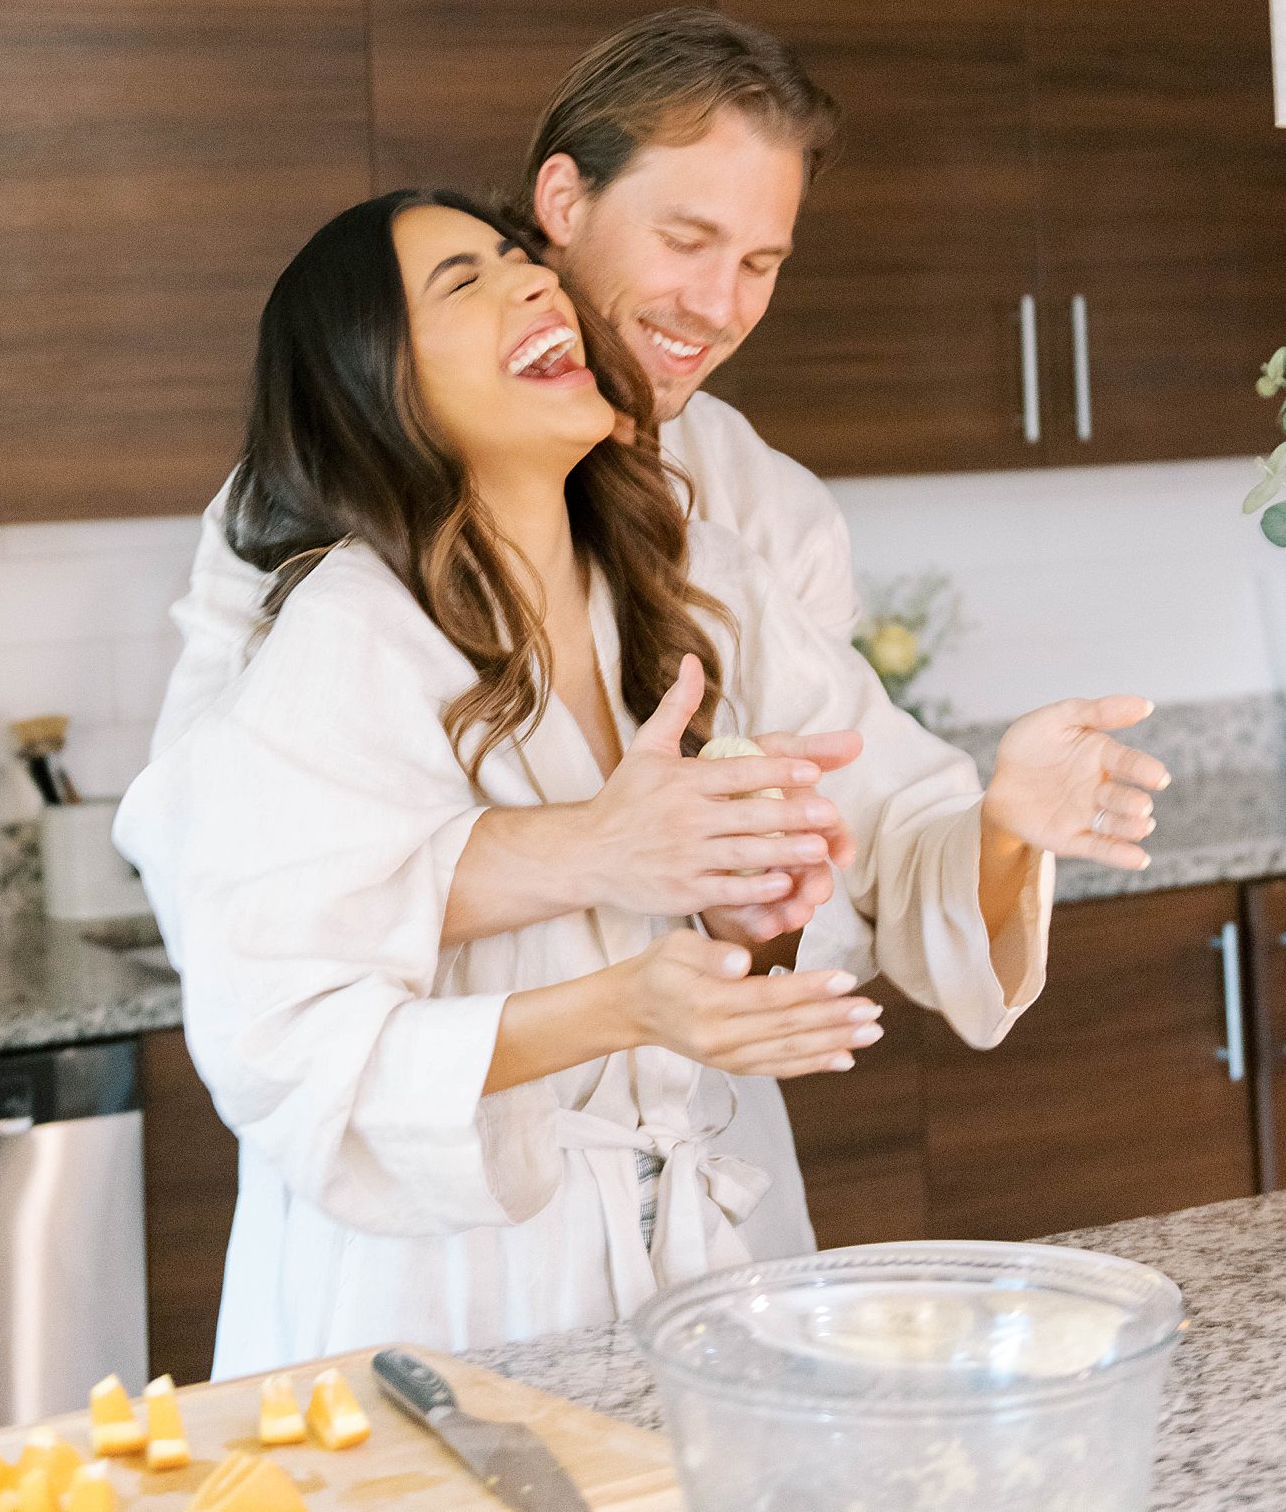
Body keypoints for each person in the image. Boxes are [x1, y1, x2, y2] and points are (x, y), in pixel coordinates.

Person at [115, 192, 1164, 1366]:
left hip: (708, 1260)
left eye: (521, 260)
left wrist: (1003, 826)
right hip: (446, 1305)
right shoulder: (346, 633)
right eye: (464, 282)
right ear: (374, 384)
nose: (533, 283)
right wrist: (624, 1000)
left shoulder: (695, 577)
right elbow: (285, 1041)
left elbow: (893, 841)